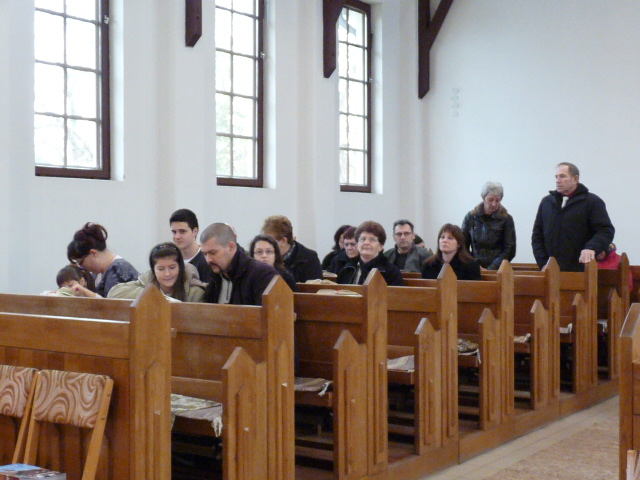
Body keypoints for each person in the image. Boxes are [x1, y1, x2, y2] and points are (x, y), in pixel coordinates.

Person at [532, 162, 615, 272]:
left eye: (563, 176)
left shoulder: (592, 202)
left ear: (575, 179)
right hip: (550, 269)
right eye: (556, 177)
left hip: (580, 269)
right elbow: (537, 235)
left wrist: (591, 248)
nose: (558, 180)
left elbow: (605, 231)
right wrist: (543, 263)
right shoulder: (547, 202)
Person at [201, 223, 279, 306]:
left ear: (231, 247)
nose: (208, 259)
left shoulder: (263, 274)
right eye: (205, 254)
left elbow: (270, 312)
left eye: (213, 253)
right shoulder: (215, 276)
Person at [108, 242, 206, 302]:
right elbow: (114, 293)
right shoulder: (144, 283)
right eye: (161, 269)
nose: (167, 274)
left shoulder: (195, 292)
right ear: (153, 270)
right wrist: (157, 296)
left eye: (172, 268)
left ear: (180, 267)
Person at [67, 223, 139, 297]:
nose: (83, 267)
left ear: (93, 253)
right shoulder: (97, 274)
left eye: (81, 263)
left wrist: (86, 292)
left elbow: (114, 302)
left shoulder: (119, 270)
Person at [461, 182, 516, 270]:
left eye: (497, 200)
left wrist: (491, 269)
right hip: (474, 267)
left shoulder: (506, 219)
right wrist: (474, 265)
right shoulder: (471, 217)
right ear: (483, 198)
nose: (494, 204)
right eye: (490, 200)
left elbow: (510, 249)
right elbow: (463, 246)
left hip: (498, 269)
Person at [336, 221, 403, 286]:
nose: (366, 243)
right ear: (357, 244)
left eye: (372, 240)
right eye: (363, 239)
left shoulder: (391, 272)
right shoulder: (347, 269)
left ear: (380, 246)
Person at [261, 215, 322, 283]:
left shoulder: (309, 258)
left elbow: (315, 288)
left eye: (270, 241)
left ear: (284, 240)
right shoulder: (263, 256)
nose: (267, 245)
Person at [169, 208, 213, 283]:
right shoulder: (170, 260)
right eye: (174, 232)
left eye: (182, 231)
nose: (177, 236)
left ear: (195, 231)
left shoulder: (207, 261)